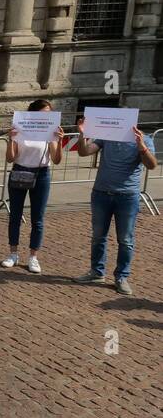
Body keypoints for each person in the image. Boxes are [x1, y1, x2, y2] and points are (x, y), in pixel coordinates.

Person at [74, 118, 157, 296]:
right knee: (98, 236)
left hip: (127, 196)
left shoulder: (145, 138)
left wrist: (141, 146)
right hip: (101, 194)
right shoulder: (107, 137)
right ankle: (96, 272)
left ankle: (121, 277)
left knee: (125, 239)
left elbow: (152, 165)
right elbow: (84, 152)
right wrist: (82, 135)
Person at [2, 99, 64, 273]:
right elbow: (10, 158)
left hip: (41, 173)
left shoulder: (49, 132)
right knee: (15, 215)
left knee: (38, 218)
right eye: (42, 113)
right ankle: (13, 253)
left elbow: (57, 160)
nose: (45, 117)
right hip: (20, 171)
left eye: (48, 114)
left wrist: (59, 142)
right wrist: (11, 139)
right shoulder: (21, 128)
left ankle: (33, 256)